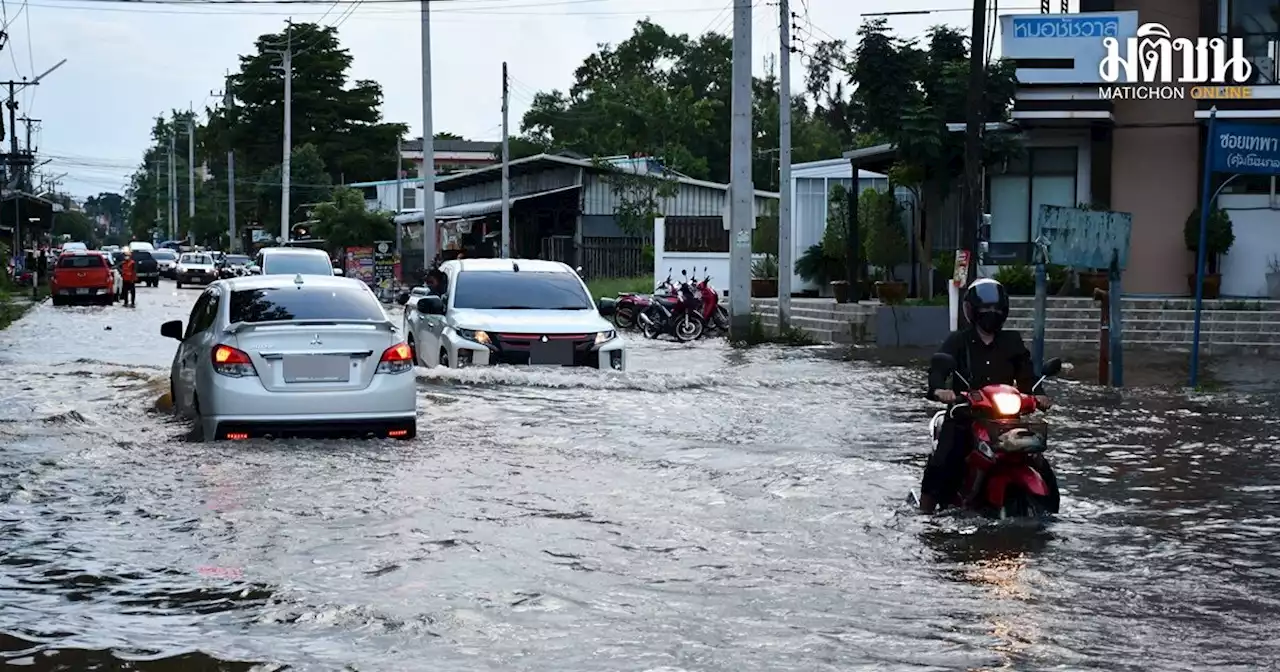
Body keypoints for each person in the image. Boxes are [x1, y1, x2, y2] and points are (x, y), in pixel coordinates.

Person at [920, 277, 1057, 514]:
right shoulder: (958, 340)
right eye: (985, 308)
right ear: (972, 311)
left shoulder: (1012, 341)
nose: (990, 313)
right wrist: (940, 390)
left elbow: (1027, 375)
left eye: (996, 309)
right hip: (966, 415)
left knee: (1038, 459)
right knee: (943, 461)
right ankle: (925, 514)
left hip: (1005, 420)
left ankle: (1052, 510)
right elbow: (938, 368)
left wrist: (1038, 395)